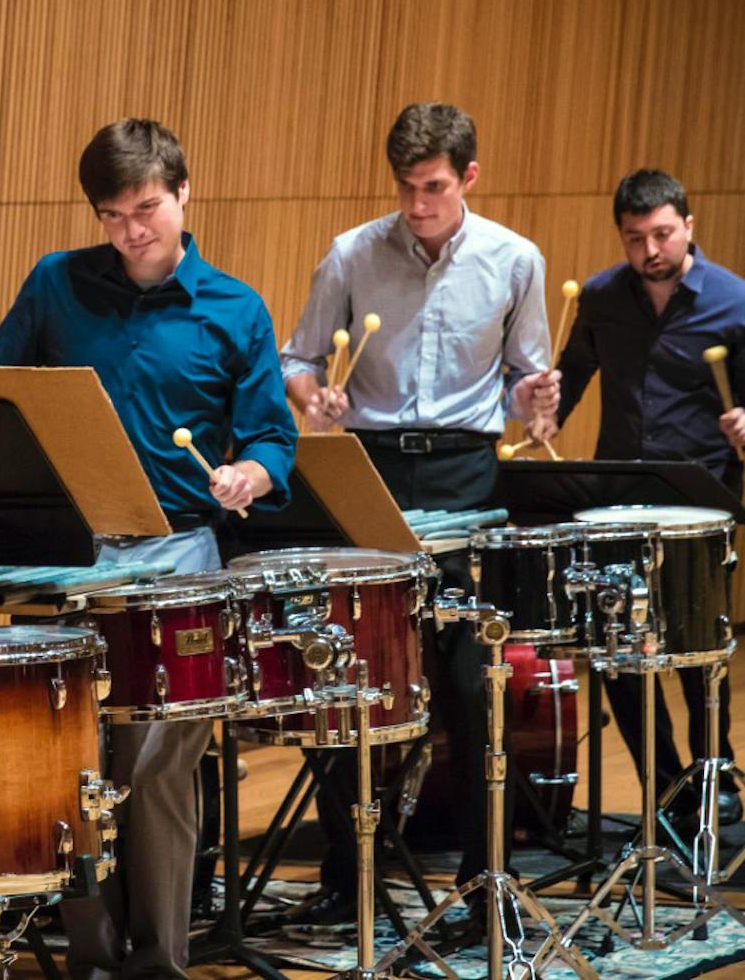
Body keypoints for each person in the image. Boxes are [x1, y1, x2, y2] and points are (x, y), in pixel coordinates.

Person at [0, 118, 296, 978]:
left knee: (158, 766)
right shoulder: (55, 285)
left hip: (180, 554)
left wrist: (247, 476)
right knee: (68, 760)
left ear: (185, 194)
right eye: (113, 213)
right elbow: (0, 397)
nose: (132, 229)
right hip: (71, 557)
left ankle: (159, 963)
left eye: (148, 207)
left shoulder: (235, 307)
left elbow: (275, 440)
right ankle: (89, 957)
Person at [279, 102, 560, 924]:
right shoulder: (351, 254)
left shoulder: (516, 260)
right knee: (347, 668)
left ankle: (483, 877)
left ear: (468, 177)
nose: (417, 205)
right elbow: (297, 356)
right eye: (405, 187)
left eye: (433, 187)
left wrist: (537, 399)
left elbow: (525, 389)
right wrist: (312, 394)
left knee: (476, 682)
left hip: (467, 475)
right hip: (367, 472)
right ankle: (345, 869)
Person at [552, 168, 745, 825]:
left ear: (688, 225)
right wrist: (548, 410)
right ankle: (663, 778)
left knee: (695, 643)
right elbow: (572, 373)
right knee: (619, 649)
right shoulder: (600, 297)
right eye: (634, 238)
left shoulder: (737, 301)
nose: (650, 250)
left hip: (699, 498)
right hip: (617, 496)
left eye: (661, 233)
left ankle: (716, 767)